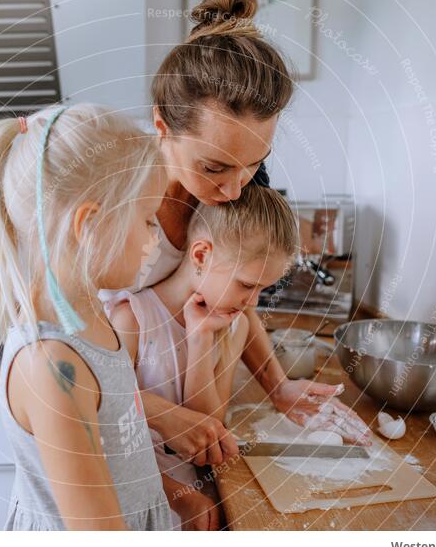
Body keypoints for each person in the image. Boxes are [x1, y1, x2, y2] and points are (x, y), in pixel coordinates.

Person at [104, 0, 372, 464]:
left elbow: (235, 299)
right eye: (214, 166)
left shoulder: (237, 190)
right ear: (162, 126)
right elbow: (60, 363)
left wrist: (279, 385)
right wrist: (154, 413)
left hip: (177, 411)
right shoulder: (112, 201)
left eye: (254, 163)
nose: (233, 188)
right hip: (100, 428)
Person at [111, 184, 372, 529]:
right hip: (135, 502)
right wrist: (177, 494)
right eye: (247, 284)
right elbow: (106, 436)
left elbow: (205, 431)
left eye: (263, 289)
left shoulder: (232, 326)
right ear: (201, 256)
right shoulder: (132, 320)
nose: (252, 303)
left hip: (196, 497)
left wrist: (201, 340)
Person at [0, 104, 172, 530]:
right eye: (147, 219)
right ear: (91, 224)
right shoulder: (50, 367)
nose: (155, 236)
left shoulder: (92, 318)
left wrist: (171, 502)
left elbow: (123, 444)